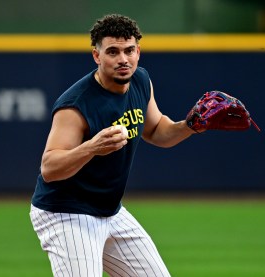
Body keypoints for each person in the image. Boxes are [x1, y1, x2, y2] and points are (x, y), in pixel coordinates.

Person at [29, 14, 198, 277]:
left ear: (138, 52)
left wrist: (192, 124)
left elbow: (157, 131)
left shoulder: (141, 81)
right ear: (96, 56)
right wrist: (91, 148)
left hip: (110, 211)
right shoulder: (76, 105)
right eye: (113, 51)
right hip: (65, 211)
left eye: (129, 50)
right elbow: (49, 168)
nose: (123, 59)